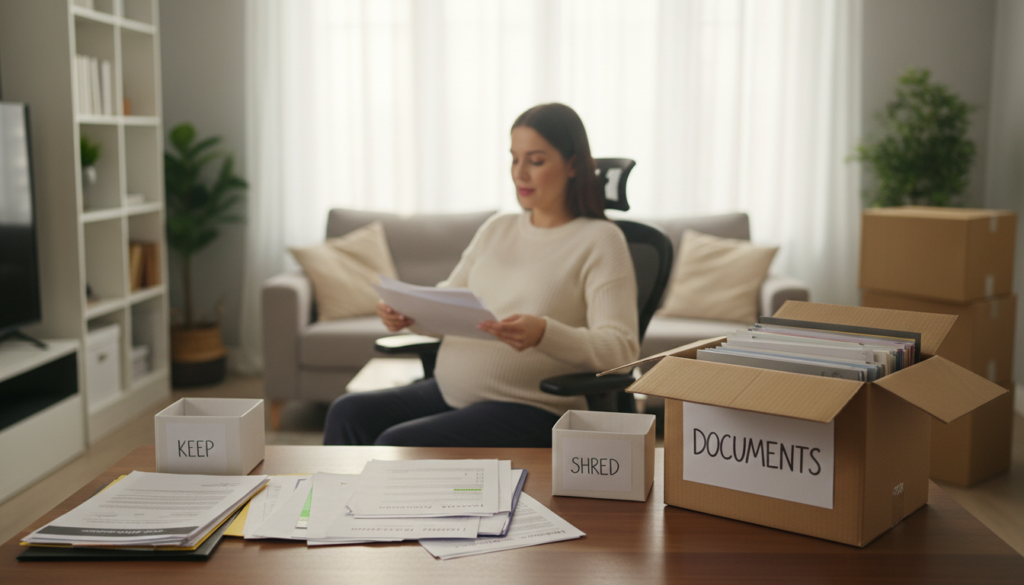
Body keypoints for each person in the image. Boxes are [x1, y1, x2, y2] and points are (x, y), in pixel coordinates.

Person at [323, 103, 639, 448]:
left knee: (397, 444)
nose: (520, 173)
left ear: (573, 164)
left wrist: (544, 333)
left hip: (530, 408)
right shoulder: (498, 228)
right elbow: (446, 304)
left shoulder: (601, 240)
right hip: (450, 393)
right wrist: (409, 313)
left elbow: (622, 351)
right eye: (514, 159)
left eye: (535, 161)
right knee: (346, 412)